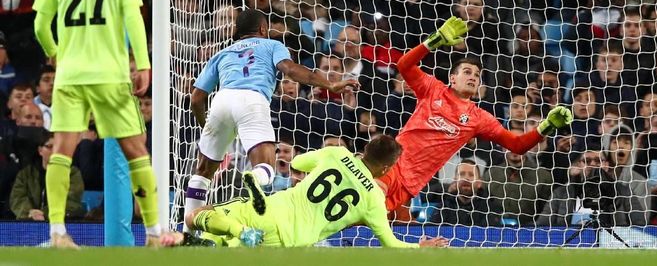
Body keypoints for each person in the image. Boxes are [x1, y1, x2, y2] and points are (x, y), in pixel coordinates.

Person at [32, 0, 168, 248]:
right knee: (136, 151)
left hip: (71, 75)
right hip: (110, 74)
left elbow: (39, 25)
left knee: (61, 151)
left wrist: (57, 54)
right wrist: (143, 63)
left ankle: (58, 233)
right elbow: (134, 18)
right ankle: (153, 234)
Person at [184, 9, 359, 237]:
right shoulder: (272, 45)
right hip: (252, 100)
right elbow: (291, 70)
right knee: (266, 167)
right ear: (263, 29)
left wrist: (206, 125)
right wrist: (331, 85)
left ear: (237, 31)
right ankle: (254, 179)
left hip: (222, 101)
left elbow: (197, 97)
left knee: (202, 172)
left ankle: (187, 233)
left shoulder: (222, 53)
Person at [378, 16, 573, 219]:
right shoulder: (432, 89)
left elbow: (517, 145)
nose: (473, 76)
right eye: (467, 72)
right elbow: (404, 65)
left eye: (477, 74)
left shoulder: (479, 117)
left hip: (412, 183)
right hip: (390, 165)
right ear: (452, 78)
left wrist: (547, 126)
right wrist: (435, 40)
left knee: (387, 235)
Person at [166, 135, 448, 248]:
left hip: (270, 211)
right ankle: (224, 241)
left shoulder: (337, 153)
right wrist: (419, 246)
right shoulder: (375, 199)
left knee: (197, 216)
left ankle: (230, 235)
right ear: (387, 169)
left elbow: (298, 163)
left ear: (364, 150)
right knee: (230, 248)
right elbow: (391, 242)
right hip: (290, 244)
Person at [10, 131, 84, 221]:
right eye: (49, 147)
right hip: (29, 221)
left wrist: (43, 213)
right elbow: (17, 199)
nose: (54, 151)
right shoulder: (25, 174)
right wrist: (29, 212)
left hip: (61, 222)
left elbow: (72, 201)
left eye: (57, 147)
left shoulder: (72, 173)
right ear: (40, 150)